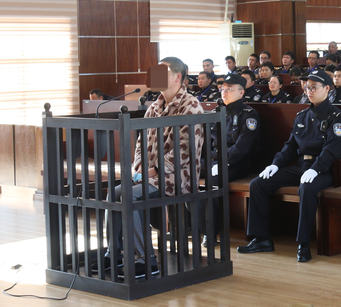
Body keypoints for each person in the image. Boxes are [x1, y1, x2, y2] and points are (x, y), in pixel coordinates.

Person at [99, 57, 203, 278]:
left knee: (128, 196)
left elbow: (186, 150)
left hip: (176, 177)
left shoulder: (190, 105)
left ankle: (147, 260)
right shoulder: (154, 106)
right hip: (148, 175)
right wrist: (139, 170)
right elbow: (140, 143)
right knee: (113, 194)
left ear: (177, 76)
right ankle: (115, 253)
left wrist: (152, 170)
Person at [237, 69, 341, 263]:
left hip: (323, 169)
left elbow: (332, 149)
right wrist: (275, 165)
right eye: (307, 87)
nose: (309, 90)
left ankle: (304, 244)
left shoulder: (337, 117)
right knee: (258, 183)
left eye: (314, 87)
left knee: (306, 189)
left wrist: (316, 168)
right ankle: (262, 239)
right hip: (300, 166)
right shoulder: (302, 115)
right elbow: (290, 146)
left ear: (327, 89)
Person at [202, 73, 260, 247]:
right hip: (212, 161)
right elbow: (204, 142)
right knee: (183, 174)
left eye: (229, 89)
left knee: (212, 182)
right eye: (223, 88)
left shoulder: (249, 114)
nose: (224, 92)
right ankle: (187, 227)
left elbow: (242, 148)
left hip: (235, 163)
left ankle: (210, 233)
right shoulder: (214, 112)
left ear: (241, 93)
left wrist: (221, 162)